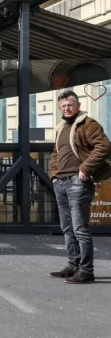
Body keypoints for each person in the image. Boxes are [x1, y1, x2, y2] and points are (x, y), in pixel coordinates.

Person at [49, 88, 111, 284]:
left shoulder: (88, 124)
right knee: (67, 228)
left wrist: (85, 168)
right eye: (63, 106)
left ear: (78, 106)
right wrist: (53, 175)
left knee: (79, 228)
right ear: (60, 108)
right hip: (61, 182)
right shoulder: (61, 127)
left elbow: (104, 146)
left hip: (78, 182)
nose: (67, 108)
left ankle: (86, 270)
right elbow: (55, 153)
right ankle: (73, 265)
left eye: (70, 105)